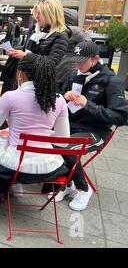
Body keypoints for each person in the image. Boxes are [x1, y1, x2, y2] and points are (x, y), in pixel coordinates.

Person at [0, 53, 70, 204]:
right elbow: (63, 142)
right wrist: (41, 133)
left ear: (21, 73)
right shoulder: (59, 99)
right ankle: (15, 184)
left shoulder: (11, 96)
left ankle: (0, 189)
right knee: (4, 135)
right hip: (48, 166)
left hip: (16, 164)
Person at [51, 40, 128, 211]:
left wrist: (88, 105)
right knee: (43, 138)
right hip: (70, 125)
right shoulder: (74, 74)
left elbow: (122, 117)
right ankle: (68, 183)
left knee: (65, 146)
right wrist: (65, 95)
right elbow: (58, 97)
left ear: (95, 59)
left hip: (96, 131)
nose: (78, 64)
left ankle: (83, 189)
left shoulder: (111, 81)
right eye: (76, 59)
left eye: (82, 60)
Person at [3, 0, 69, 94]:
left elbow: (51, 63)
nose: (36, 17)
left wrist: (25, 56)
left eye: (40, 14)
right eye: (36, 13)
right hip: (23, 81)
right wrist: (16, 52)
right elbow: (27, 49)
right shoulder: (36, 31)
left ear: (51, 15)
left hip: (41, 87)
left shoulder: (61, 35)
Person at [56, 8, 91, 85]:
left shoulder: (58, 30)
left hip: (57, 66)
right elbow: (90, 46)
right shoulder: (76, 30)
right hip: (71, 67)